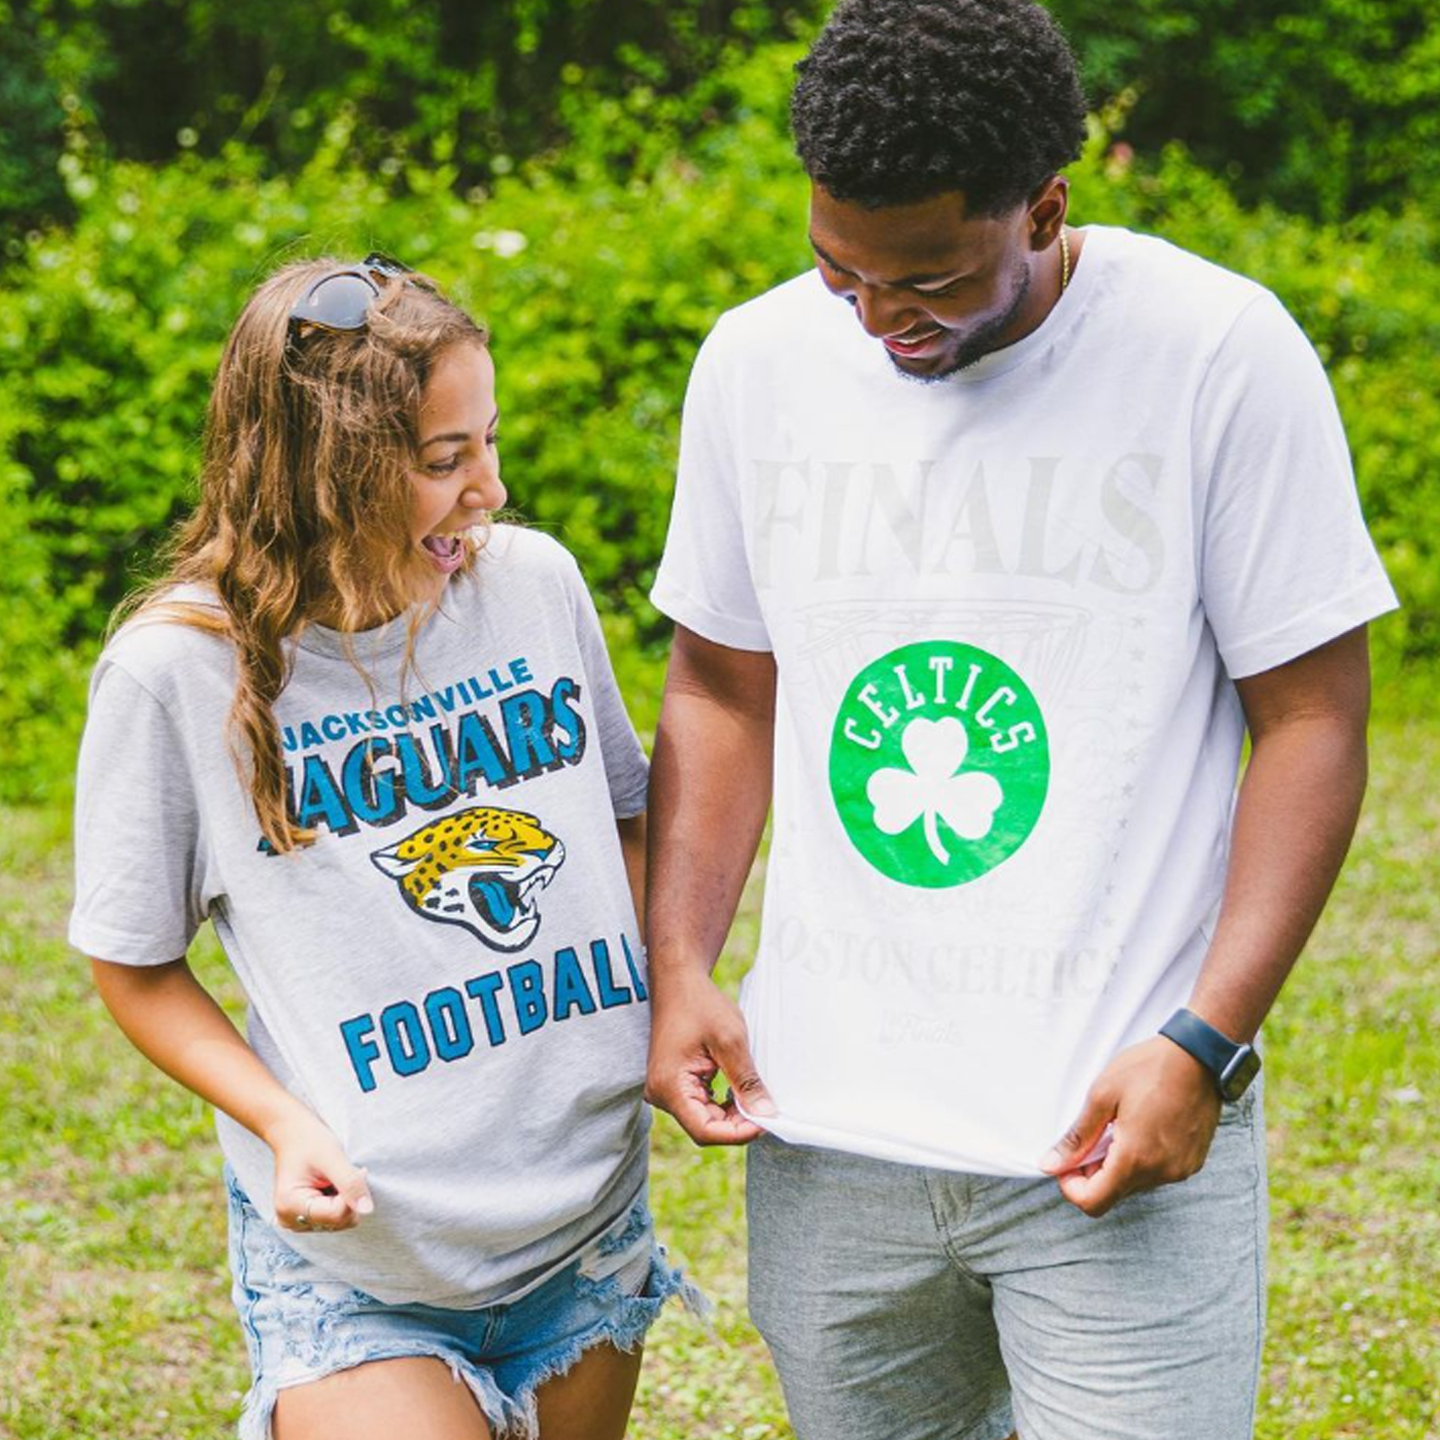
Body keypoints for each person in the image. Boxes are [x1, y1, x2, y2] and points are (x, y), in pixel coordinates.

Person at [643, 2, 1398, 1437]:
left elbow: (1310, 718)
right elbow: (723, 684)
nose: (874, 320)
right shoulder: (755, 364)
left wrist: (1205, 1042)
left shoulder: (1217, 353)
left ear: (1047, 206)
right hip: (831, 1138)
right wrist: (679, 960)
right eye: (837, 273)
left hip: (1111, 1126)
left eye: (924, 278)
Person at [70, 254, 696, 1440]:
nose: (491, 492)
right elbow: (133, 962)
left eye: (490, 444)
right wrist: (283, 1122)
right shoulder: (174, 673)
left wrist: (669, 999)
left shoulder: (533, 587)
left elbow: (627, 817)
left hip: (585, 1217)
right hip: (361, 1259)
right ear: (323, 471)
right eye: (443, 461)